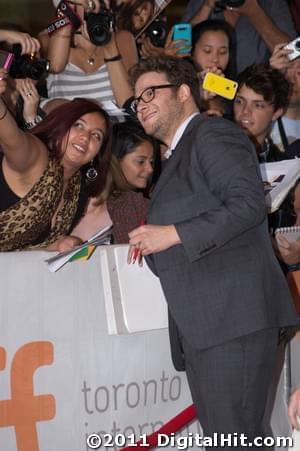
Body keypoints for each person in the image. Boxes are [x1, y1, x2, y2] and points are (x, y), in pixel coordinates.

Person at [127, 55, 298, 447]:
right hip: (212, 324)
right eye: (137, 100)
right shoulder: (179, 154)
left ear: (185, 92)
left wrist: (173, 233)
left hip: (231, 320)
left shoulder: (211, 134)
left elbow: (247, 205)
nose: (142, 105)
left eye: (151, 92)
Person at [0, 79, 111, 251]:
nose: (85, 137)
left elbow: (32, 246)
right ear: (60, 127)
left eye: (96, 135)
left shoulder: (77, 190)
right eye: (78, 125)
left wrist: (63, 244)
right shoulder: (36, 156)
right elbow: (10, 136)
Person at [38, 0, 138, 114]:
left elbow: (130, 104)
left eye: (101, 3)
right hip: (68, 129)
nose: (94, 9)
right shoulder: (49, 40)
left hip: (118, 129)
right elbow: (55, 67)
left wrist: (109, 47)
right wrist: (67, 19)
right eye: (88, 3)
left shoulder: (122, 39)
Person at [69, 122, 154, 244]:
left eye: (151, 161)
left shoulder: (138, 205)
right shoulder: (69, 194)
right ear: (114, 159)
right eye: (141, 161)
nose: (150, 169)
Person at [182, 0, 296, 72]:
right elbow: (179, 48)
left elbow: (293, 54)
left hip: (257, 95)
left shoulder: (271, 3)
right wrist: (207, 6)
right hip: (206, 93)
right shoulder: (200, 2)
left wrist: (254, 11)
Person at [233, 63, 290, 162]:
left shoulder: (282, 165)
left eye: (258, 105)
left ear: (276, 113)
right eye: (239, 101)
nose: (245, 111)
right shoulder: (213, 148)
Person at [191, 19, 235, 116]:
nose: (215, 59)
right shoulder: (179, 87)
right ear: (192, 52)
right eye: (207, 51)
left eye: (222, 52)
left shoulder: (236, 91)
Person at [270, 45, 300, 151]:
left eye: (299, 73)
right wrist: (270, 75)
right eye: (285, 69)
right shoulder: (261, 119)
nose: (291, 80)